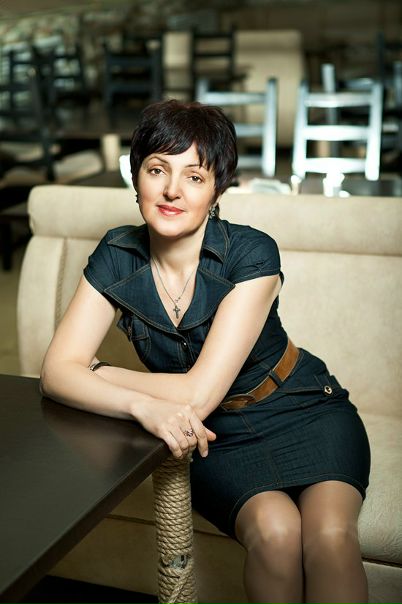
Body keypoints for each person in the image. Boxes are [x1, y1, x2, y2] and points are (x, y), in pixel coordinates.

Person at [40, 99, 370, 604]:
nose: (172, 190)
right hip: (214, 436)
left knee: (329, 538)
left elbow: (196, 393)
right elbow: (55, 374)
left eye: (194, 176)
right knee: (276, 535)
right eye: (157, 170)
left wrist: (99, 371)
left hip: (302, 409)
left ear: (217, 190)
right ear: (136, 177)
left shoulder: (251, 252)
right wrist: (140, 405)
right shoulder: (116, 254)